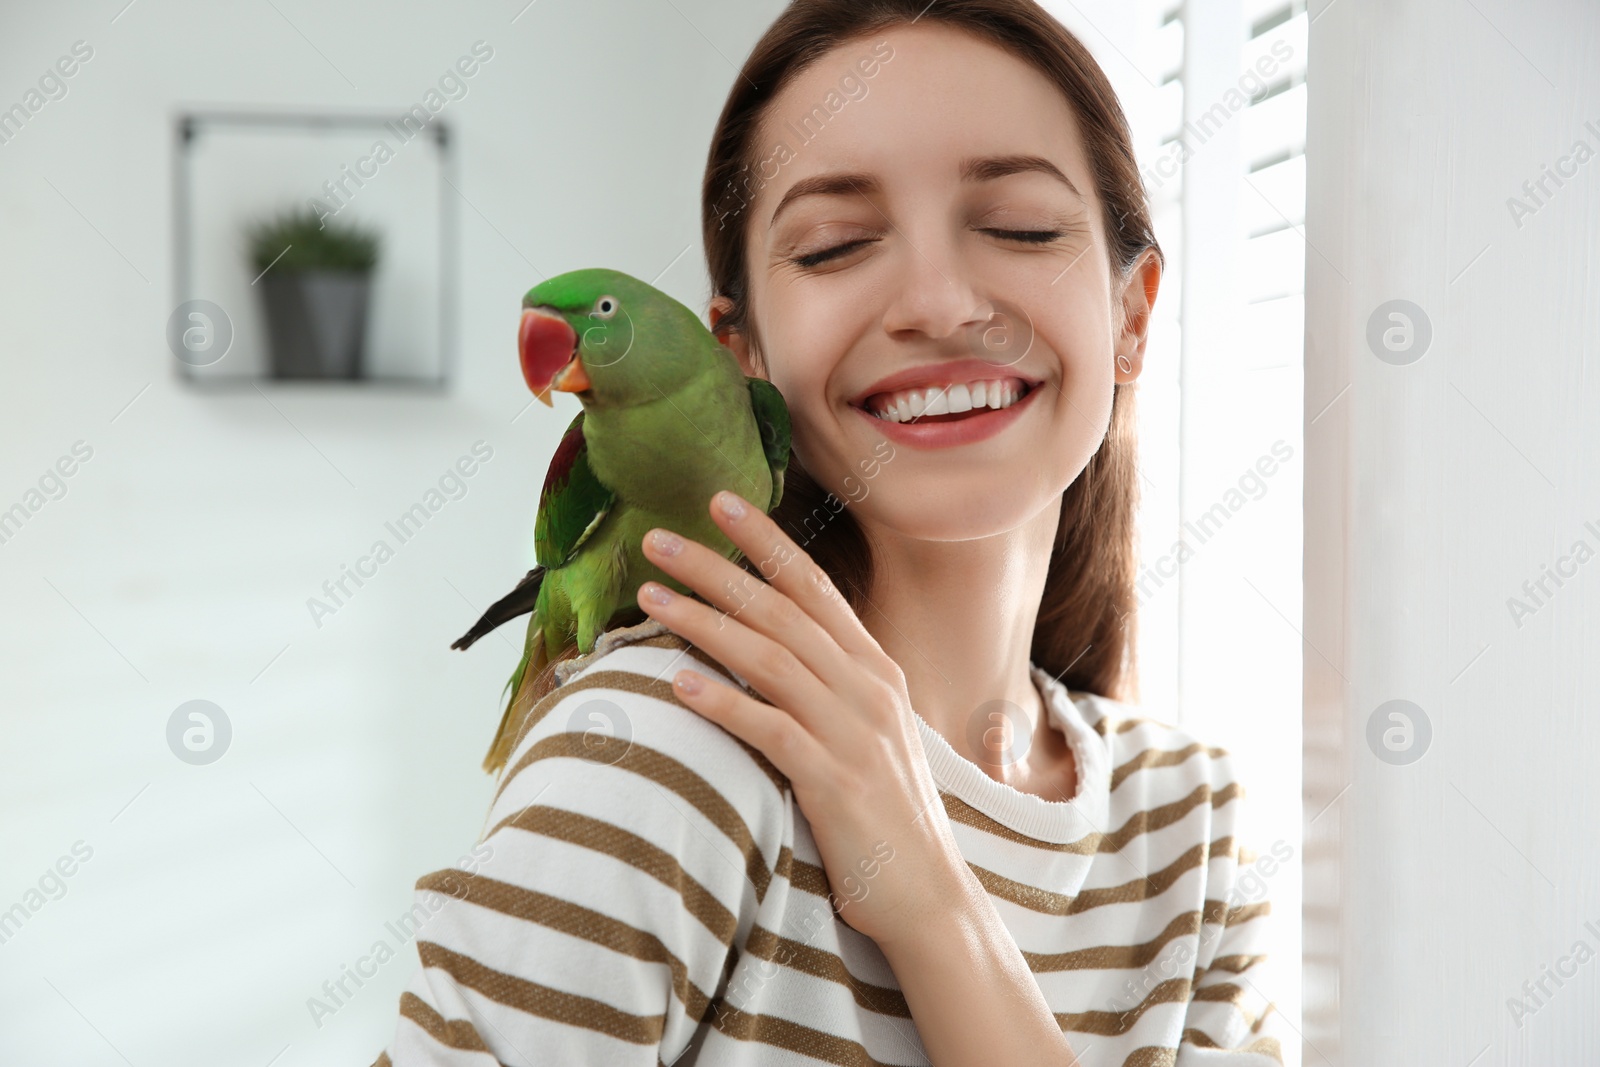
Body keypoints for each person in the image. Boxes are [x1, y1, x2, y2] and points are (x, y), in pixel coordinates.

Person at [370, 0, 1287, 1062]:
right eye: (835, 245)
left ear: (1131, 314)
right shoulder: (667, 740)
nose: (940, 304)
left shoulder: (1198, 827)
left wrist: (933, 903)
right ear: (741, 352)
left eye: (1021, 225)